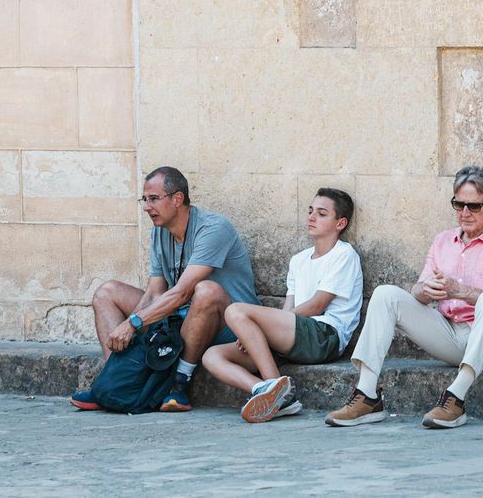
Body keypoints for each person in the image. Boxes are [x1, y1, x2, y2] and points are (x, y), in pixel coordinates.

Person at [324, 165, 483, 429]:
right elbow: (419, 293)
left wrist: (462, 292)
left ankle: (455, 398)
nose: (465, 213)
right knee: (386, 294)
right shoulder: (442, 241)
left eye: (474, 206)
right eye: (458, 204)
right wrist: (423, 290)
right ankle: (367, 396)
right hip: (451, 336)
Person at [70, 166, 259, 413]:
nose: (147, 207)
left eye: (154, 199)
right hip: (183, 319)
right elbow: (154, 293)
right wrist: (129, 326)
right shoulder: (160, 233)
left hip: (229, 327)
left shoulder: (213, 228)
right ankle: (115, 382)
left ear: (177, 199)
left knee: (205, 290)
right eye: (145, 200)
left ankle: (180, 386)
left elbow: (182, 292)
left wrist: (132, 324)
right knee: (107, 292)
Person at [202, 188, 364, 423]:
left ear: (340, 223)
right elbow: (290, 308)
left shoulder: (344, 254)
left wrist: (262, 325)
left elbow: (317, 306)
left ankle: (279, 392)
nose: (311, 217)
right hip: (295, 336)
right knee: (212, 355)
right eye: (310, 211)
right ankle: (267, 391)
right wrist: (255, 332)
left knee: (235, 310)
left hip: (325, 335)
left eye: (321, 213)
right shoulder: (298, 260)